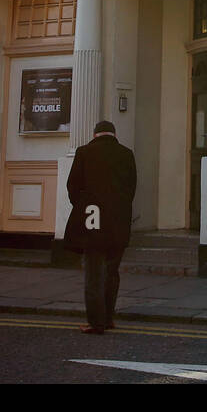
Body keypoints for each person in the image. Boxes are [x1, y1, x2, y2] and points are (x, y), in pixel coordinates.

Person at [63, 120, 137, 333]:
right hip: (118, 221)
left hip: (91, 219)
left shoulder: (84, 152)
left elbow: (73, 186)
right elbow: (131, 187)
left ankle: (95, 322)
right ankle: (108, 318)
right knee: (112, 272)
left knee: (93, 273)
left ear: (95, 134)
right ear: (113, 134)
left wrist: (83, 204)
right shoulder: (126, 153)